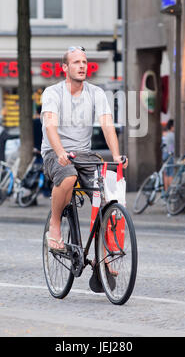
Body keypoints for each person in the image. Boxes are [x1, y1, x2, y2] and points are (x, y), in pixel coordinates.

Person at [41, 46, 128, 253]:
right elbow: (50, 126)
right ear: (65, 67)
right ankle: (54, 224)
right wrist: (60, 151)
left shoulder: (96, 93)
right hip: (56, 153)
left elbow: (107, 125)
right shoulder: (53, 92)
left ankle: (106, 254)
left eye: (84, 62)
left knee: (107, 196)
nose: (82, 66)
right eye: (76, 62)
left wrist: (116, 155)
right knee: (69, 177)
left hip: (85, 155)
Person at [162, 119, 175, 190]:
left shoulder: (166, 134)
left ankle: (166, 190)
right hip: (169, 155)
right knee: (170, 173)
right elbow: (171, 148)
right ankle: (170, 191)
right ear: (172, 126)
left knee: (165, 173)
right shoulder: (172, 135)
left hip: (164, 154)